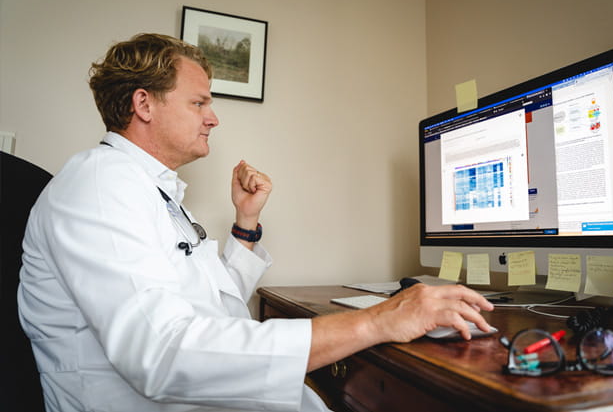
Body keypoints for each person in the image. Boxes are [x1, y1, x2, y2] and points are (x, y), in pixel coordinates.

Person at [17, 33, 494, 412]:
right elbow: (161, 354)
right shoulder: (100, 187)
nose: (213, 118)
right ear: (144, 105)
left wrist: (246, 221)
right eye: (199, 103)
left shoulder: (145, 188)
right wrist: (377, 320)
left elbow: (209, 301)